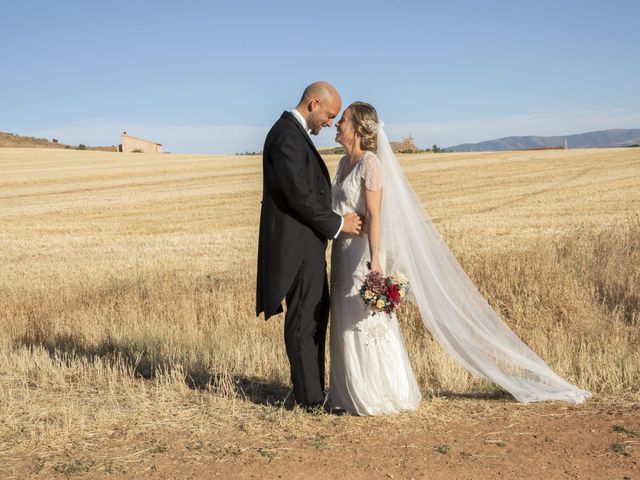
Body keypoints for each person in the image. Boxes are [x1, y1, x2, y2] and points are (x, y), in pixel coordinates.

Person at [328, 102, 591, 416]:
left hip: (362, 256)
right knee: (345, 319)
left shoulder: (370, 163)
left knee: (367, 322)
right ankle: (347, 393)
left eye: (342, 120)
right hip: (341, 254)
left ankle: (379, 394)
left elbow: (375, 215)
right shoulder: (343, 163)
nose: (336, 124)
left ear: (358, 127)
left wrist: (377, 262)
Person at [255, 82, 362, 411]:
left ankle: (314, 393)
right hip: (297, 245)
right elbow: (298, 195)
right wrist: (339, 223)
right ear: (313, 104)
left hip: (304, 244)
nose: (330, 122)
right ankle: (310, 400)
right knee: (305, 321)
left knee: (314, 315)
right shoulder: (287, 134)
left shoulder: (290, 132)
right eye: (329, 115)